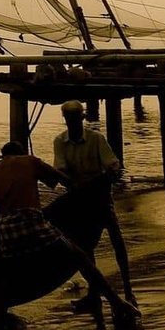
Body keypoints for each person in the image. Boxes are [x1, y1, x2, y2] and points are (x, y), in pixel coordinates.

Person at [0, 142, 141, 330]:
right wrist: (77, 193)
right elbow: (62, 180)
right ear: (20, 153)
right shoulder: (29, 161)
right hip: (33, 223)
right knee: (79, 256)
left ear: (2, 157)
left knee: (6, 278)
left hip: (7, 231)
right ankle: (117, 304)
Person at [52, 100, 136, 312]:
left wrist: (110, 173)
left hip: (99, 196)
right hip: (79, 199)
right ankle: (94, 293)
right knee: (86, 247)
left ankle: (128, 290)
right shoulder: (60, 141)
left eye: (75, 118)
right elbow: (61, 172)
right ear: (66, 119)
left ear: (81, 118)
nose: (72, 122)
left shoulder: (96, 138)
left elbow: (113, 165)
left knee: (116, 239)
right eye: (69, 119)